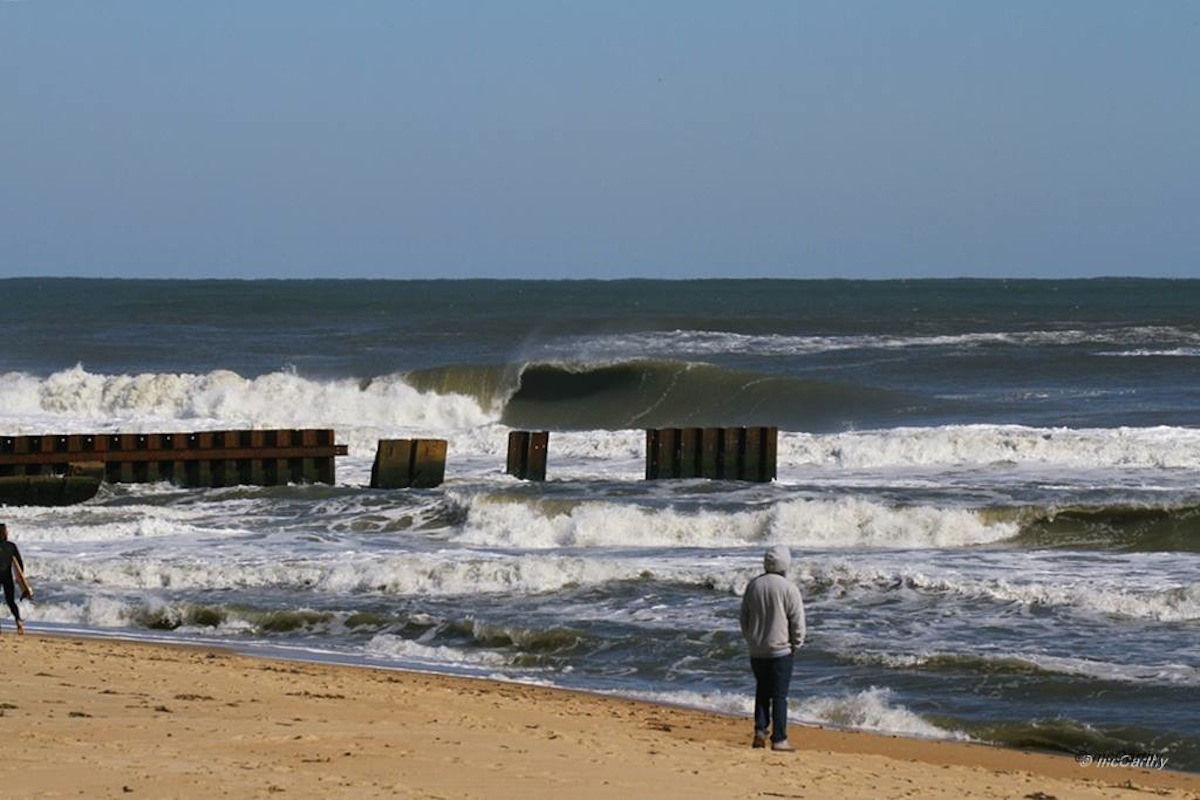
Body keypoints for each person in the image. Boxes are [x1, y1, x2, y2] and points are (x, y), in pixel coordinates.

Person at [739, 544, 806, 752]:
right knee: (779, 696)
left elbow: (744, 617)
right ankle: (779, 738)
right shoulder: (789, 588)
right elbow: (797, 621)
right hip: (781, 650)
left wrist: (751, 640)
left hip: (757, 650)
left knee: (762, 691)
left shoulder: (754, 585)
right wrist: (796, 644)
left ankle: (760, 730)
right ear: (785, 564)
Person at [1, 522, 32, 635]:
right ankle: (18, 622)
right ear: (5, 533)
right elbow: (19, 563)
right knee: (10, 601)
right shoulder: (11, 546)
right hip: (7, 577)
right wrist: (20, 579)